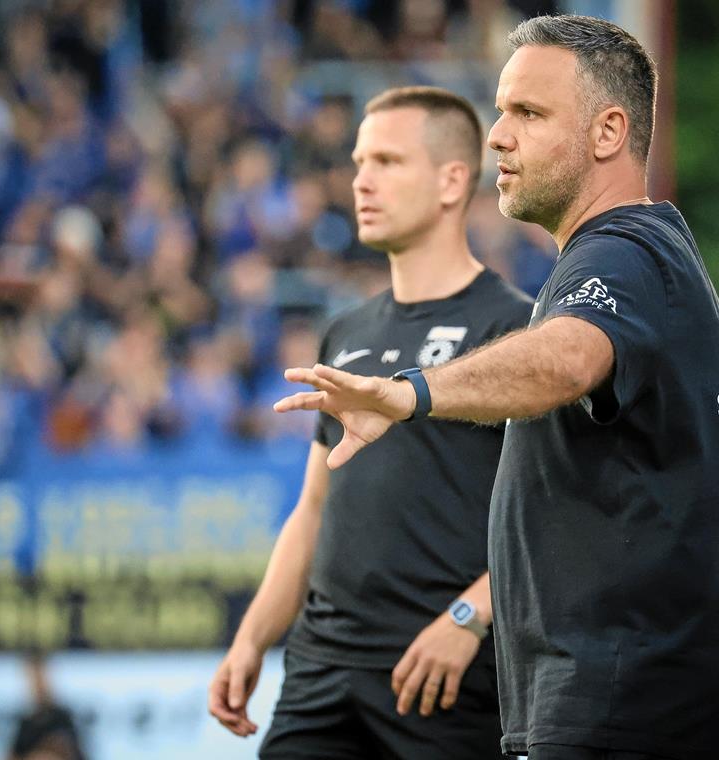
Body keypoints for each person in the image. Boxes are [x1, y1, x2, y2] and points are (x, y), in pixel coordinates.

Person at [275, 15, 719, 760]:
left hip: (628, 703)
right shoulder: (634, 258)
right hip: (627, 698)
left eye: (528, 114)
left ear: (608, 133)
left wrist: (408, 392)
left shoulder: (624, 253)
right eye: (502, 110)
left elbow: (568, 359)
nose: (497, 136)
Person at [207, 86, 534, 758]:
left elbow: (555, 509)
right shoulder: (345, 332)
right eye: (359, 162)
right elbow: (314, 506)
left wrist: (469, 619)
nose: (361, 180)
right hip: (321, 673)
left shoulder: (516, 330)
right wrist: (251, 638)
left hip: (441, 675)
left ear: (450, 181)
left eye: (386, 161)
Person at [7, 653, 86, 760]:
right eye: (32, 679)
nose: (38, 685)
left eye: (41, 678)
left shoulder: (64, 719)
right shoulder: (26, 723)